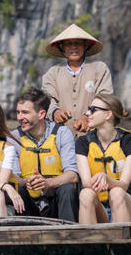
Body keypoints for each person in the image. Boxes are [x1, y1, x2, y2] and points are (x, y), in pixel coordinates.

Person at [9, 87, 79, 222]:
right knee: (18, 190)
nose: (19, 118)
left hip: (56, 202)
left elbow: (73, 175)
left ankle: (70, 236)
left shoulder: (62, 133)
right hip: (28, 204)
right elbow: (14, 177)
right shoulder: (13, 138)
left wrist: (48, 183)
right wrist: (26, 182)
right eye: (18, 112)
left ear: (41, 114)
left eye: (25, 112)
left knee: (67, 189)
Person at [76, 94, 131, 224]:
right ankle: (88, 242)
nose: (87, 113)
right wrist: (98, 181)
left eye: (93, 109)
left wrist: (106, 179)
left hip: (129, 205)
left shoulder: (130, 142)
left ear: (108, 115)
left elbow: (123, 185)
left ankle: (122, 242)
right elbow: (85, 182)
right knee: (85, 194)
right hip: (100, 207)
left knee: (117, 192)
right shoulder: (83, 142)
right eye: (88, 109)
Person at [41, 24, 113, 137]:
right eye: (69, 43)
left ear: (86, 46)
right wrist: (56, 112)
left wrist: (87, 117)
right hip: (60, 137)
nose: (73, 47)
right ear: (62, 47)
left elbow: (104, 97)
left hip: (94, 136)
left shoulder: (99, 68)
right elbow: (47, 98)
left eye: (78, 43)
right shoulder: (53, 72)